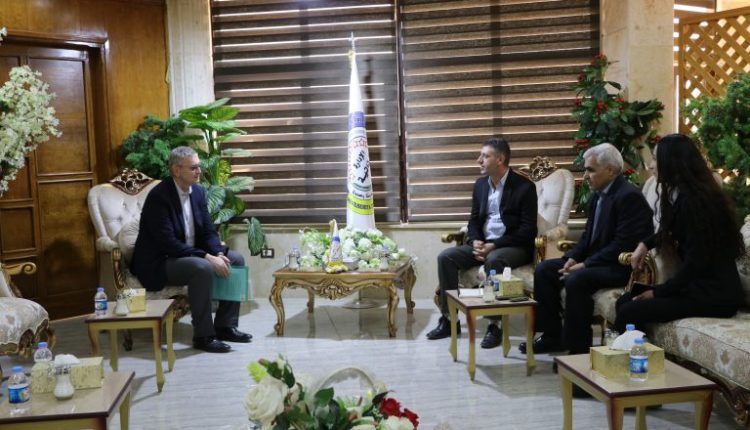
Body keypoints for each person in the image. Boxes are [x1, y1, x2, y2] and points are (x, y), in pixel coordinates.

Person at [521, 143, 653, 357]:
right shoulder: (598, 194)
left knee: (577, 280)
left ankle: (578, 350)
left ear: (609, 170)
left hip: (618, 266)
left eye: (591, 170)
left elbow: (622, 244)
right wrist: (573, 258)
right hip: (595, 262)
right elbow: (587, 238)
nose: (585, 176)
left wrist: (585, 265)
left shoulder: (629, 196)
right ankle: (552, 336)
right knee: (544, 270)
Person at [615, 134, 743, 331]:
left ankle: (633, 350)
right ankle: (639, 347)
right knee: (625, 300)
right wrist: (645, 244)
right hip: (698, 287)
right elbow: (671, 230)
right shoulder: (686, 196)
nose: (651, 165)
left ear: (672, 162)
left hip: (715, 295)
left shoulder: (695, 204)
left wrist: (658, 292)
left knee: (629, 310)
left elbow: (695, 263)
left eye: (656, 159)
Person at [132, 146, 252, 353]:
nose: (199, 171)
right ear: (176, 170)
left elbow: (208, 231)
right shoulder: (159, 197)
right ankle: (204, 336)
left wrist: (218, 254)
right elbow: (168, 243)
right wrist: (207, 257)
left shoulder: (198, 192)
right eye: (193, 167)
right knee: (201, 268)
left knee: (236, 259)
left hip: (189, 254)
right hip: (161, 260)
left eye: (199, 167)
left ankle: (225, 326)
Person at [427, 137, 538, 348]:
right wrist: (476, 240)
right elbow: (474, 220)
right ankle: (449, 320)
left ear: (500, 159)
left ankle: (495, 325)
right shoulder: (480, 185)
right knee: (446, 257)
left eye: (485, 156)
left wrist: (494, 246)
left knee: (494, 260)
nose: (479, 160)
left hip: (512, 247)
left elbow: (527, 230)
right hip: (484, 243)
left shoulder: (524, 187)